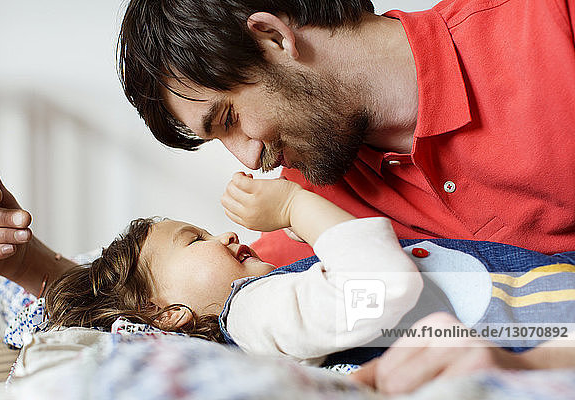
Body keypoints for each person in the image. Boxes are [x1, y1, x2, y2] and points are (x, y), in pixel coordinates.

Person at [114, 0, 575, 265]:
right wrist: (45, 272)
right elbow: (201, 290)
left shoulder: (549, 23)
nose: (250, 161)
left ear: (273, 37)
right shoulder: (314, 193)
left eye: (229, 119)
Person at [44, 172, 575, 383]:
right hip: (540, 318)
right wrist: (297, 206)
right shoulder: (252, 313)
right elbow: (379, 289)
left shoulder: (277, 295)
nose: (225, 236)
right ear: (167, 316)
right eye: (195, 241)